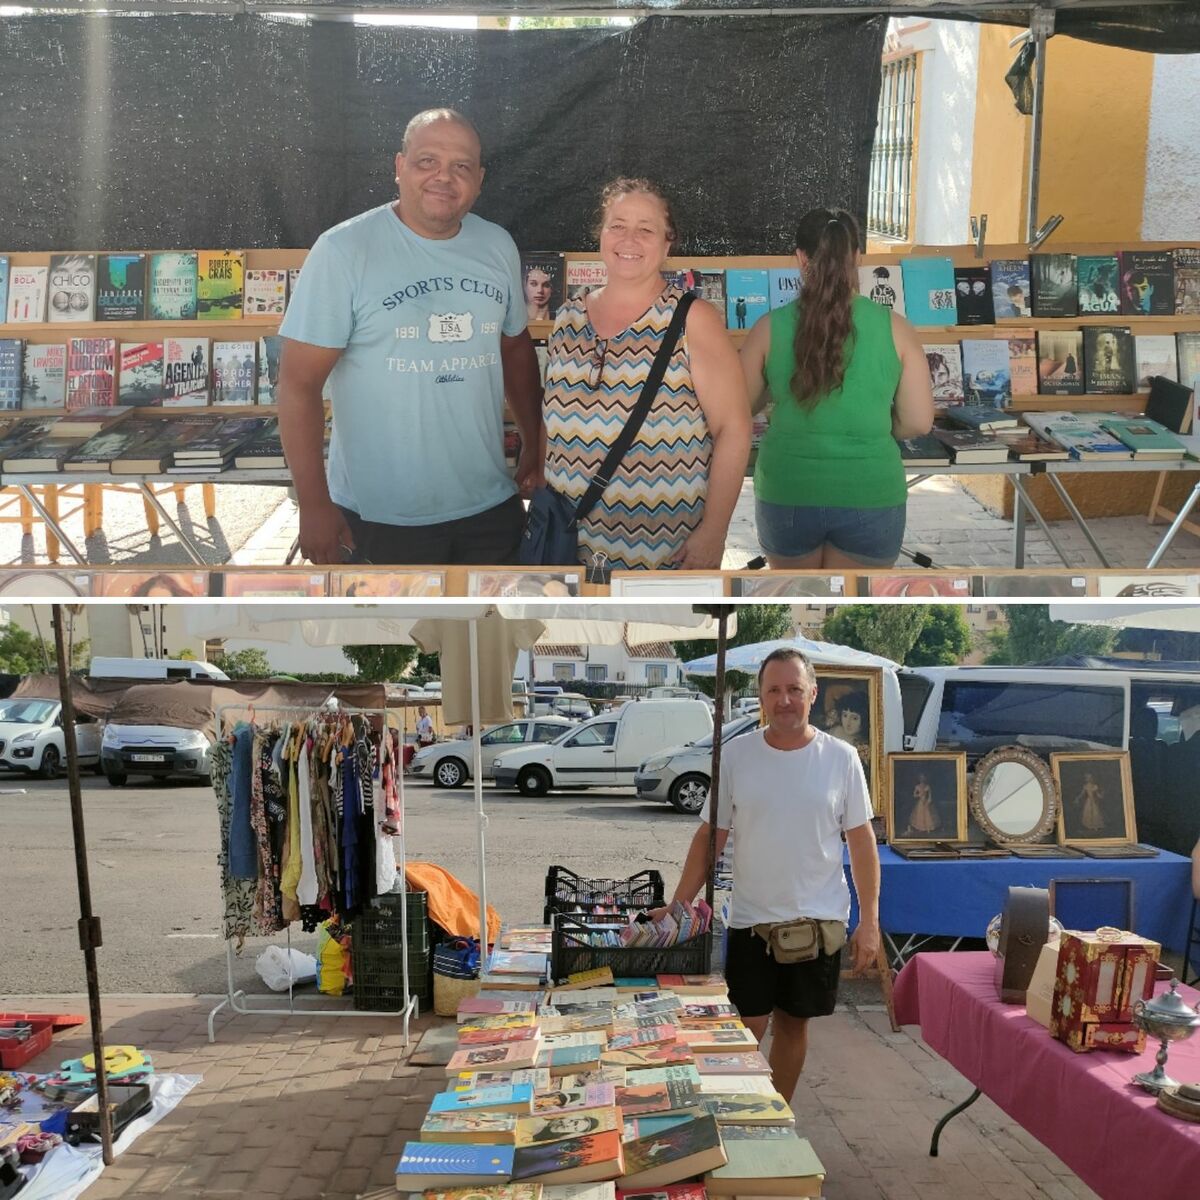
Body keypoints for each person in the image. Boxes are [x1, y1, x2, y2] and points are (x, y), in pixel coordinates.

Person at [278, 108, 544, 566]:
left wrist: (535, 444)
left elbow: (515, 349)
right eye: (427, 161)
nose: (444, 177)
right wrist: (315, 506)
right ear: (399, 167)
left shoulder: (497, 244)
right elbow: (298, 385)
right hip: (380, 516)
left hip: (489, 505)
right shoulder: (343, 251)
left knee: (490, 632)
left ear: (479, 179)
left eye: (461, 166)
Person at [653, 648, 880, 1104]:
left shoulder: (841, 758)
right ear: (760, 696)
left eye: (794, 689)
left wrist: (869, 920)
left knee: (794, 1024)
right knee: (745, 1025)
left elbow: (861, 843)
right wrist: (679, 905)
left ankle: (776, 1117)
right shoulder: (736, 756)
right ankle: (735, 1110)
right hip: (751, 919)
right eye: (774, 690)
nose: (784, 700)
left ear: (812, 694)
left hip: (817, 921)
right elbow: (710, 836)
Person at [542, 178, 750, 572]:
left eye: (646, 229)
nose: (629, 239)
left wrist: (715, 531)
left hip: (662, 553)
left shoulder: (693, 319)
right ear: (600, 234)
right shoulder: (568, 316)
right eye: (617, 225)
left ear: (668, 242)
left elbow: (734, 429)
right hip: (566, 548)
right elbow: (548, 420)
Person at [741, 209, 933, 569]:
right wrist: (876, 423)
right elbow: (920, 422)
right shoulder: (898, 329)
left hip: (788, 490)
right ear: (857, 258)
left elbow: (739, 408)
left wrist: (776, 391)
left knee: (798, 599)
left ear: (800, 258)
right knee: (850, 607)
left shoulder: (768, 328)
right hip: (871, 492)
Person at [906, 771, 939, 835]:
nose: (922, 779)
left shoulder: (927, 786)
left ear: (925, 779)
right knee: (920, 814)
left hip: (926, 802)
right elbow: (914, 795)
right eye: (921, 778)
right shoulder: (917, 786)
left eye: (923, 778)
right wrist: (919, 795)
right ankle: (921, 828)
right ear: (919, 779)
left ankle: (928, 828)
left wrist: (929, 800)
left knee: (928, 814)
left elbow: (930, 795)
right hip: (920, 802)